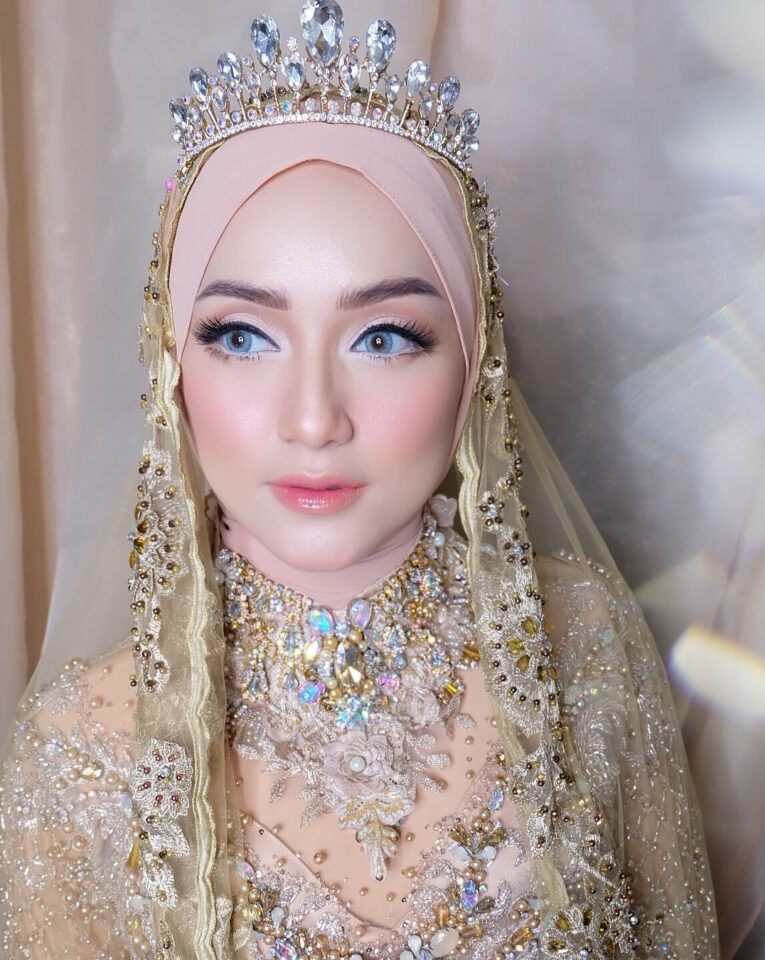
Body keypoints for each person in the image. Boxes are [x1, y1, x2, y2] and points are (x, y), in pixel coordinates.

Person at [0, 3, 719, 958]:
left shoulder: (584, 651)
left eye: (383, 338)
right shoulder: (84, 747)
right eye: (242, 336)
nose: (313, 419)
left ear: (475, 360)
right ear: (170, 364)